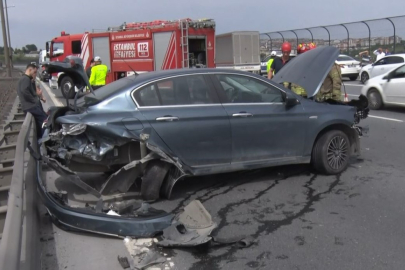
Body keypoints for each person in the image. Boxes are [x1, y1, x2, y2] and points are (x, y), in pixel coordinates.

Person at [17, 63, 48, 138]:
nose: (35, 74)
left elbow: (32, 91)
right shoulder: (25, 79)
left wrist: (33, 80)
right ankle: (45, 138)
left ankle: (40, 138)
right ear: (29, 70)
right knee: (45, 120)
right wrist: (34, 100)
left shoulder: (26, 79)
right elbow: (25, 91)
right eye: (34, 72)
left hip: (29, 106)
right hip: (31, 106)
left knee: (39, 122)